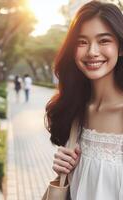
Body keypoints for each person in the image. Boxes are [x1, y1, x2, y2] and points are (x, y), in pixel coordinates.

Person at [45, 1, 123, 199]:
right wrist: (63, 170)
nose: (92, 52)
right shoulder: (75, 112)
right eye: (82, 42)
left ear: (120, 48)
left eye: (104, 40)